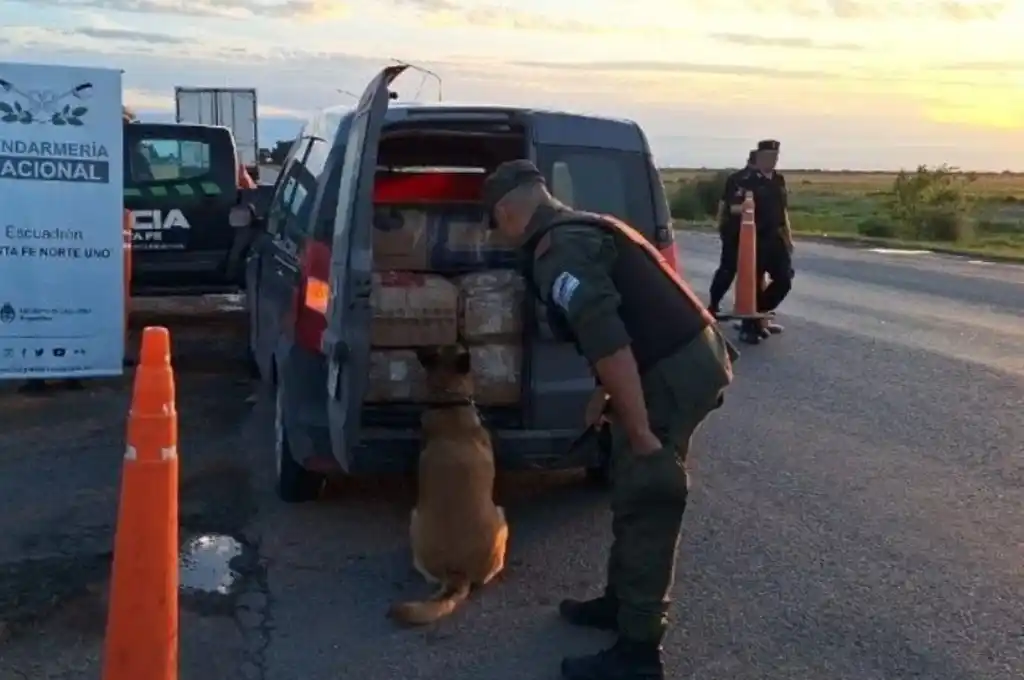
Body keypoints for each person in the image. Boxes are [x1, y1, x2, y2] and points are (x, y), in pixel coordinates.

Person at [481, 160, 738, 680]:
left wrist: (640, 431)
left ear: (508, 211)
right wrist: (608, 396)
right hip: (682, 356)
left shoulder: (559, 252)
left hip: (672, 370)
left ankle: (638, 651)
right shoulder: (585, 225)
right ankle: (620, 602)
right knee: (628, 477)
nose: (499, 237)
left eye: (495, 224)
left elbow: (611, 342)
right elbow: (630, 320)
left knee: (648, 489)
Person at [734, 139, 793, 344]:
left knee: (784, 278)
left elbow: (782, 210)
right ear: (758, 158)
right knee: (753, 282)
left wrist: (788, 235)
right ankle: (749, 326)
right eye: (768, 157)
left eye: (775, 157)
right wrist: (746, 208)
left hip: (776, 237)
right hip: (755, 238)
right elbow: (732, 207)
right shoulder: (747, 180)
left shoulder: (779, 180)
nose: (773, 161)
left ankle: (759, 314)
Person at [707, 150, 756, 318]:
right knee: (729, 268)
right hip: (734, 230)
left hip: (755, 232)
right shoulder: (738, 179)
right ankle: (713, 305)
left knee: (754, 270)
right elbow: (731, 206)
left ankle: (753, 313)